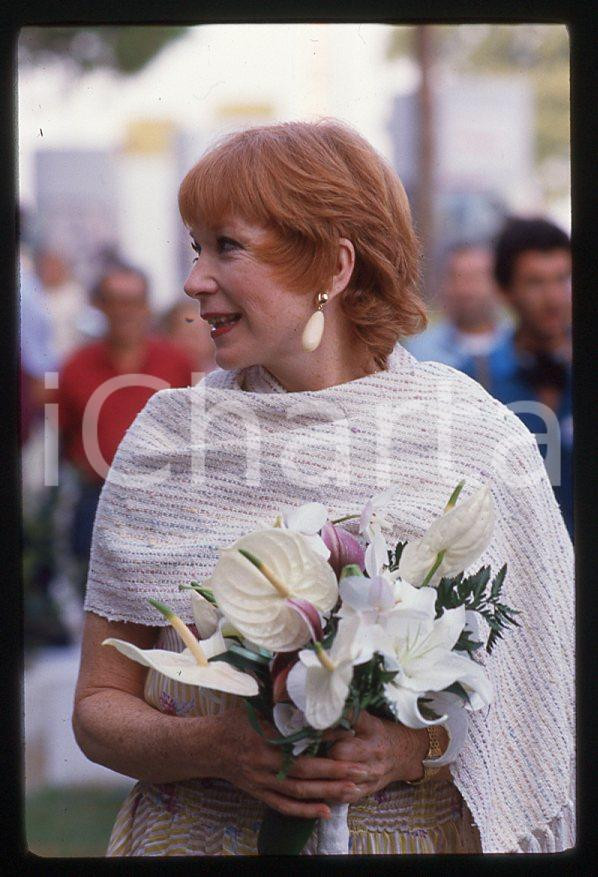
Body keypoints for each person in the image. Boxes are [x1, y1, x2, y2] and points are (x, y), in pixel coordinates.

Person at [72, 121, 574, 856]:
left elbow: (538, 699)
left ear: (333, 267)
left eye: (227, 246)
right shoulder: (167, 440)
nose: (193, 280)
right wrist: (219, 747)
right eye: (195, 247)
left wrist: (408, 751)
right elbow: (95, 706)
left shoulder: (474, 436)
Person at [54, 263, 196, 595]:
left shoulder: (177, 362)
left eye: (133, 301)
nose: (124, 312)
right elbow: (61, 438)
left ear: (147, 306)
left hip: (165, 504)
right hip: (96, 502)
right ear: (99, 305)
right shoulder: (75, 367)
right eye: (115, 300)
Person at [460, 218, 573, 539]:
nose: (554, 298)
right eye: (535, 283)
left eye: (563, 279)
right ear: (505, 292)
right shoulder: (475, 380)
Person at [404, 243, 512, 382]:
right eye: (455, 278)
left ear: (496, 283)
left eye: (474, 278)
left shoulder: (519, 347)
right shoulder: (418, 351)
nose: (464, 290)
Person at [157, 300, 217, 374]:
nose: (202, 340)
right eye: (192, 334)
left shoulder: (224, 377)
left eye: (206, 330)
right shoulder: (164, 374)